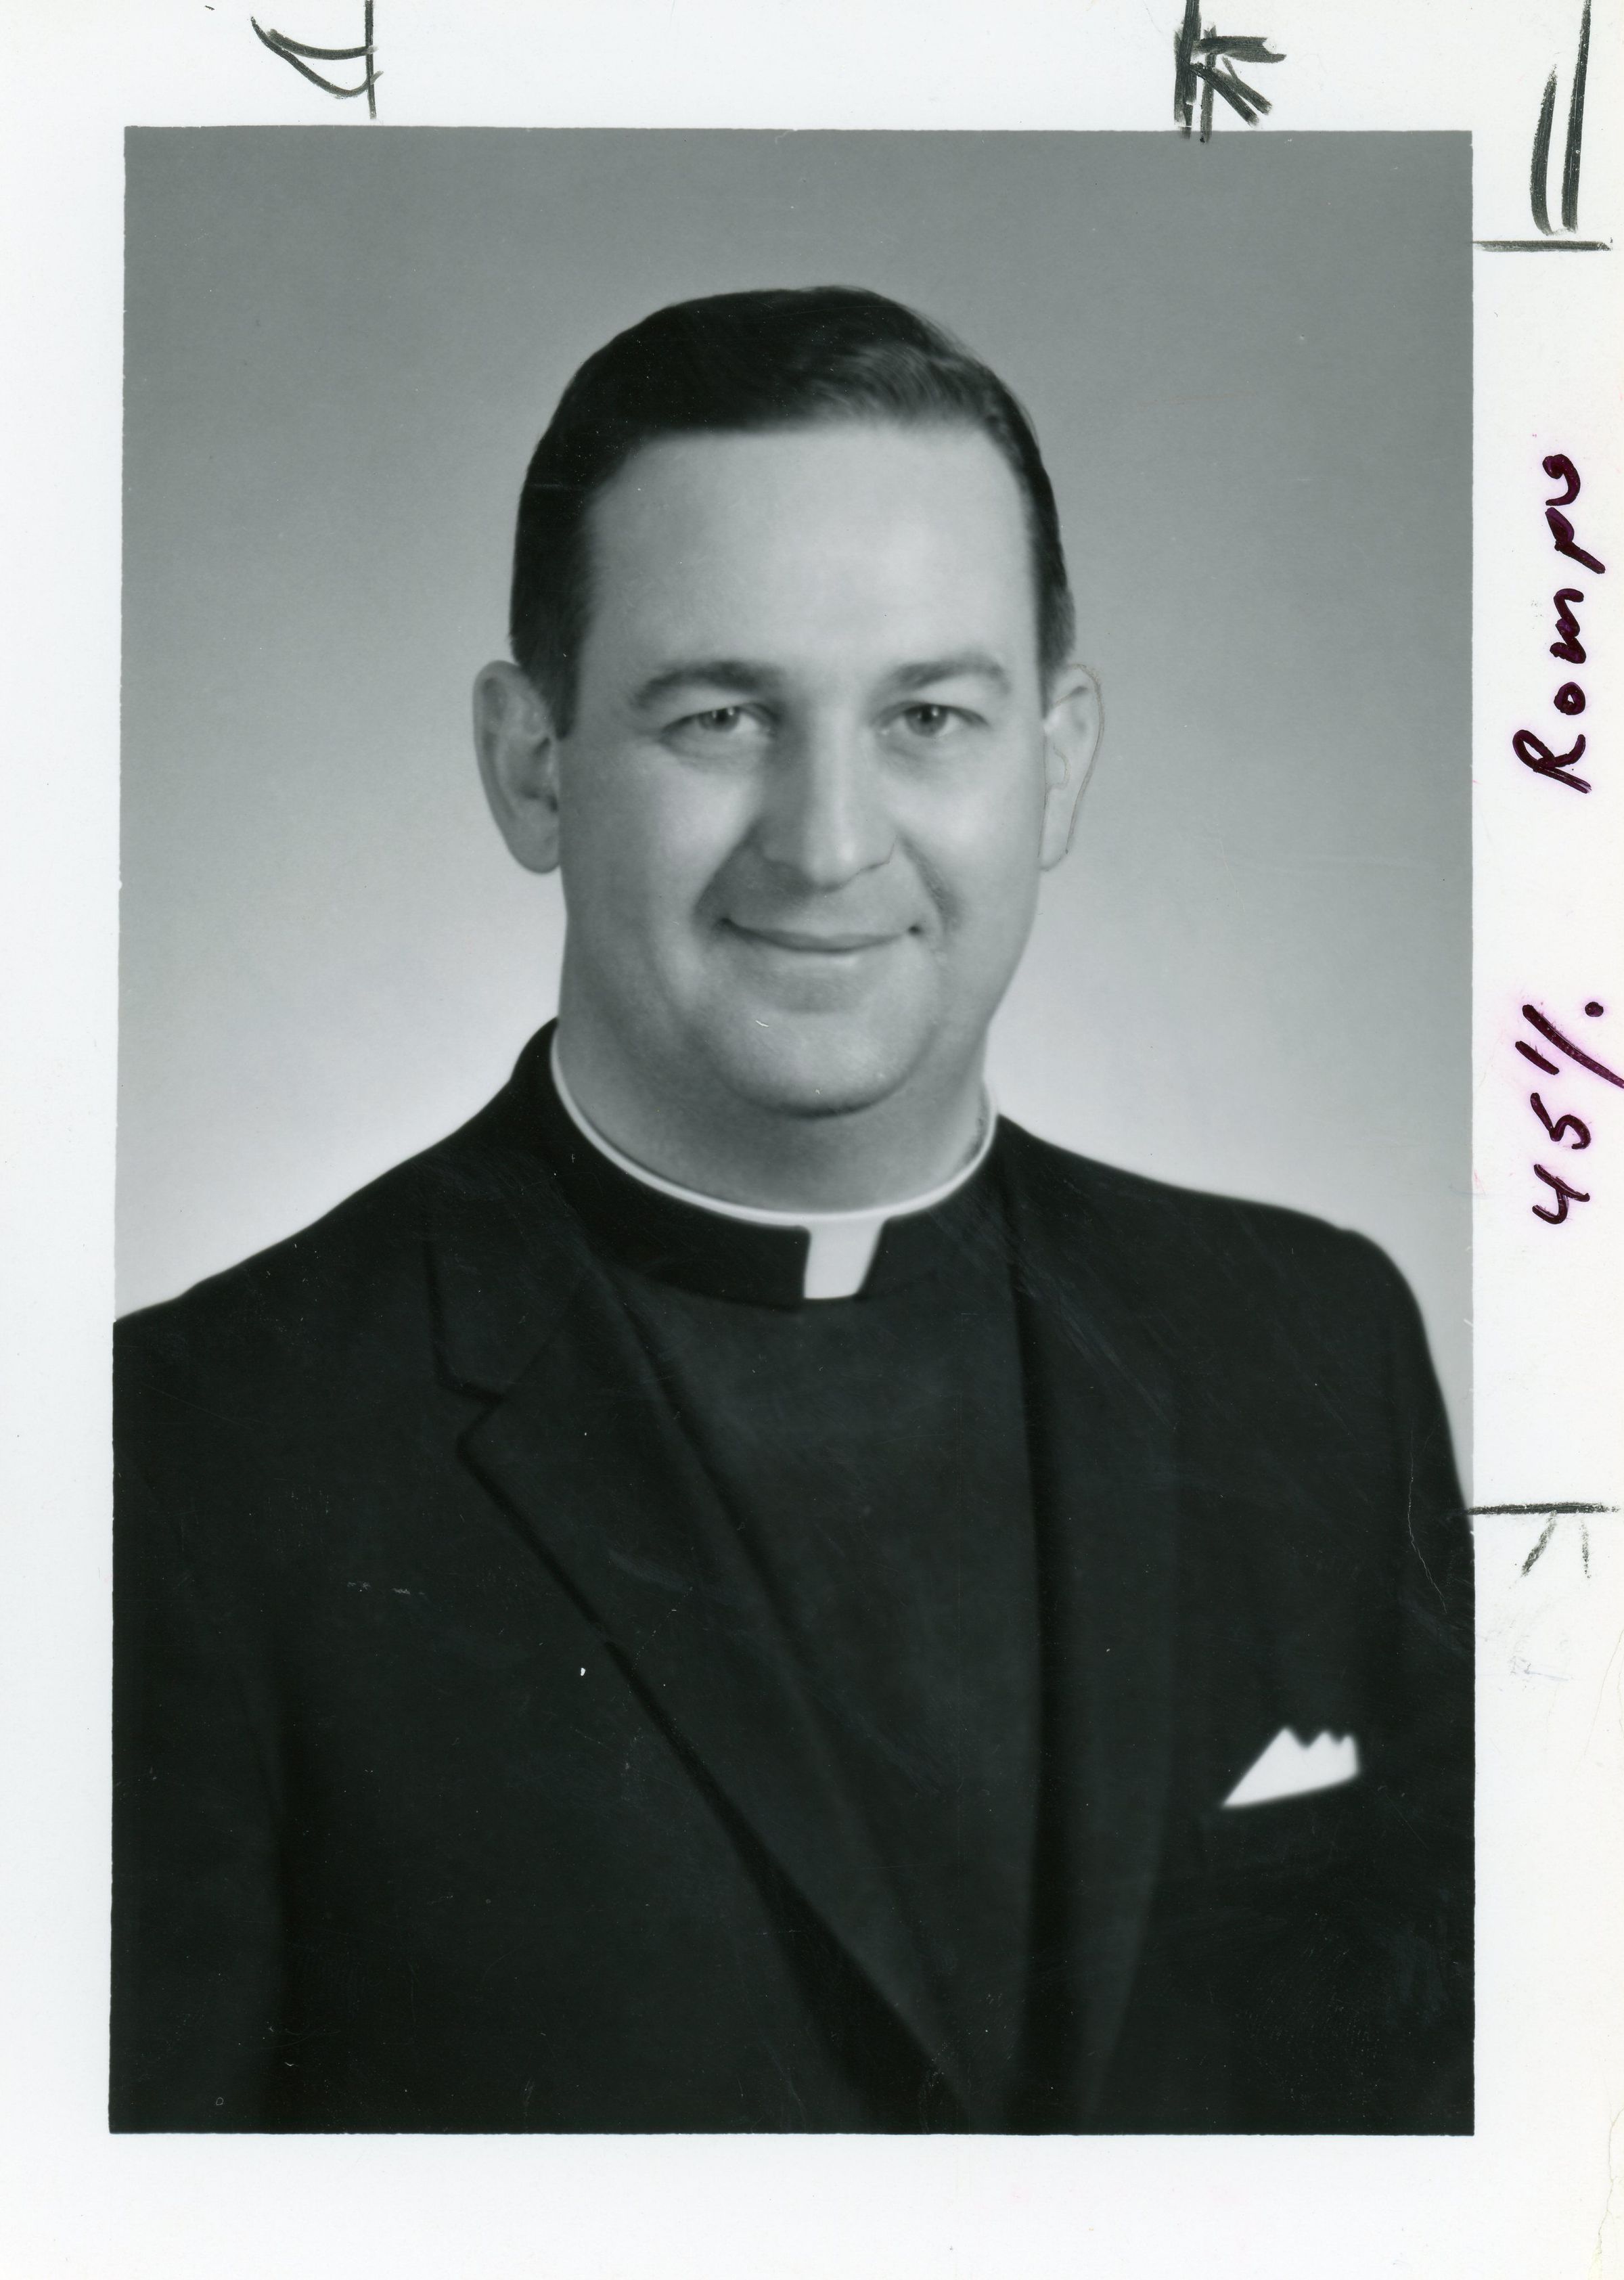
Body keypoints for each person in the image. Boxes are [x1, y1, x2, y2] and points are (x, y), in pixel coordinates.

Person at [112, 286, 1472, 2135]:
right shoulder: (188, 1455)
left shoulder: (1318, 1352)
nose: (829, 842)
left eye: (930, 714)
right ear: (531, 765)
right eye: (721, 715)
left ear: (1056, 759)